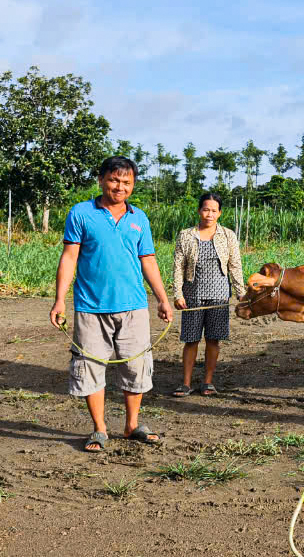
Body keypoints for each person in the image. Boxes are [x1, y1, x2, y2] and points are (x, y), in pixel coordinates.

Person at [50, 156, 173, 453]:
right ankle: (99, 429)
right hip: (91, 307)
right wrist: (59, 301)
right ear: (101, 179)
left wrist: (162, 298)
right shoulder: (81, 213)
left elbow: (149, 261)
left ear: (133, 185)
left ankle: (132, 426)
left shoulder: (139, 218)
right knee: (90, 366)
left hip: (133, 307)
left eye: (127, 182)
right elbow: (69, 257)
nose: (120, 186)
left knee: (136, 366)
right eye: (115, 180)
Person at [171, 192, 245, 397]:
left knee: (213, 340)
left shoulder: (228, 235)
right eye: (206, 209)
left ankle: (208, 382)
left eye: (214, 210)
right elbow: (178, 267)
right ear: (199, 211)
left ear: (219, 213)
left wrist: (241, 293)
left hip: (219, 296)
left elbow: (235, 266)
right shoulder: (186, 235)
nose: (209, 214)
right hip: (192, 296)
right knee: (191, 339)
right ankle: (186, 383)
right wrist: (178, 294)